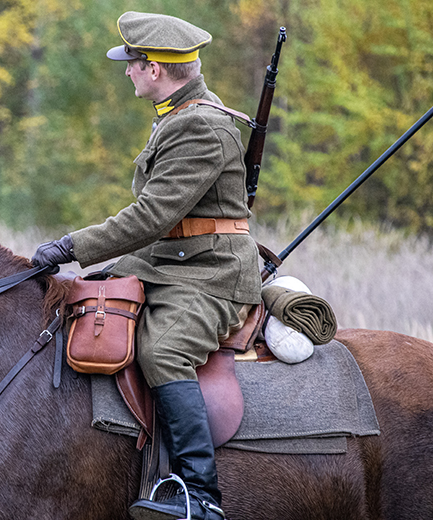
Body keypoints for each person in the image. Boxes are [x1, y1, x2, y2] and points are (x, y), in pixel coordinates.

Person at [32, 11, 262, 520]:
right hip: (174, 262)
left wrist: (71, 246)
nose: (127, 71)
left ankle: (201, 496)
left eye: (132, 63)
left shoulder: (199, 126)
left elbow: (152, 216)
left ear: (155, 69)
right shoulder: (178, 114)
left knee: (162, 350)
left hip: (212, 276)